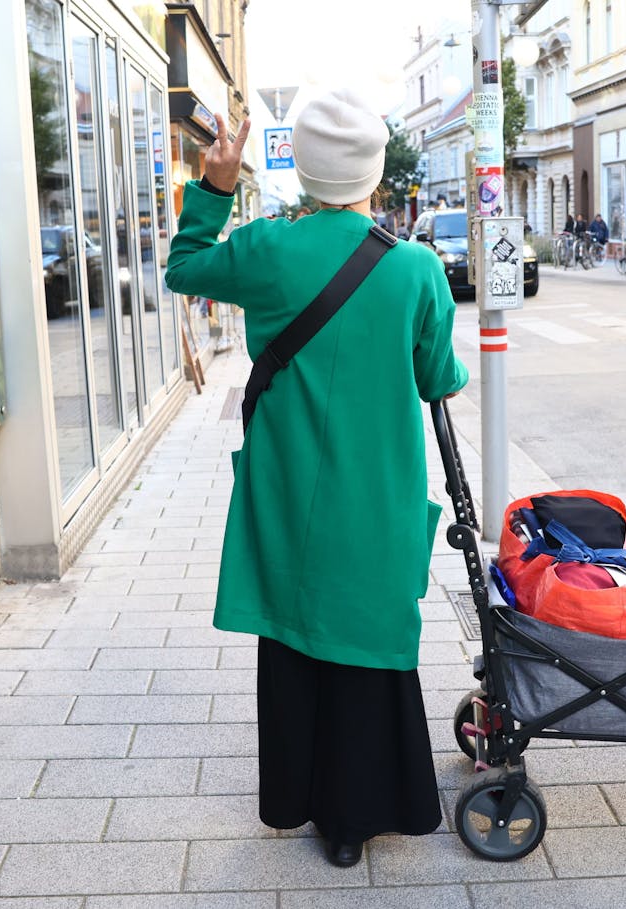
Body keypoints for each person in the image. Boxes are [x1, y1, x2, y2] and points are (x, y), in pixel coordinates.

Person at [164, 90, 468, 868]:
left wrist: (217, 185)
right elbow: (440, 377)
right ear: (373, 171)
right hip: (378, 500)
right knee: (371, 647)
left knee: (298, 643)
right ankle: (356, 816)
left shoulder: (269, 248)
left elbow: (185, 267)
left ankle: (301, 799)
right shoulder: (416, 268)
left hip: (291, 495)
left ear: (300, 169)